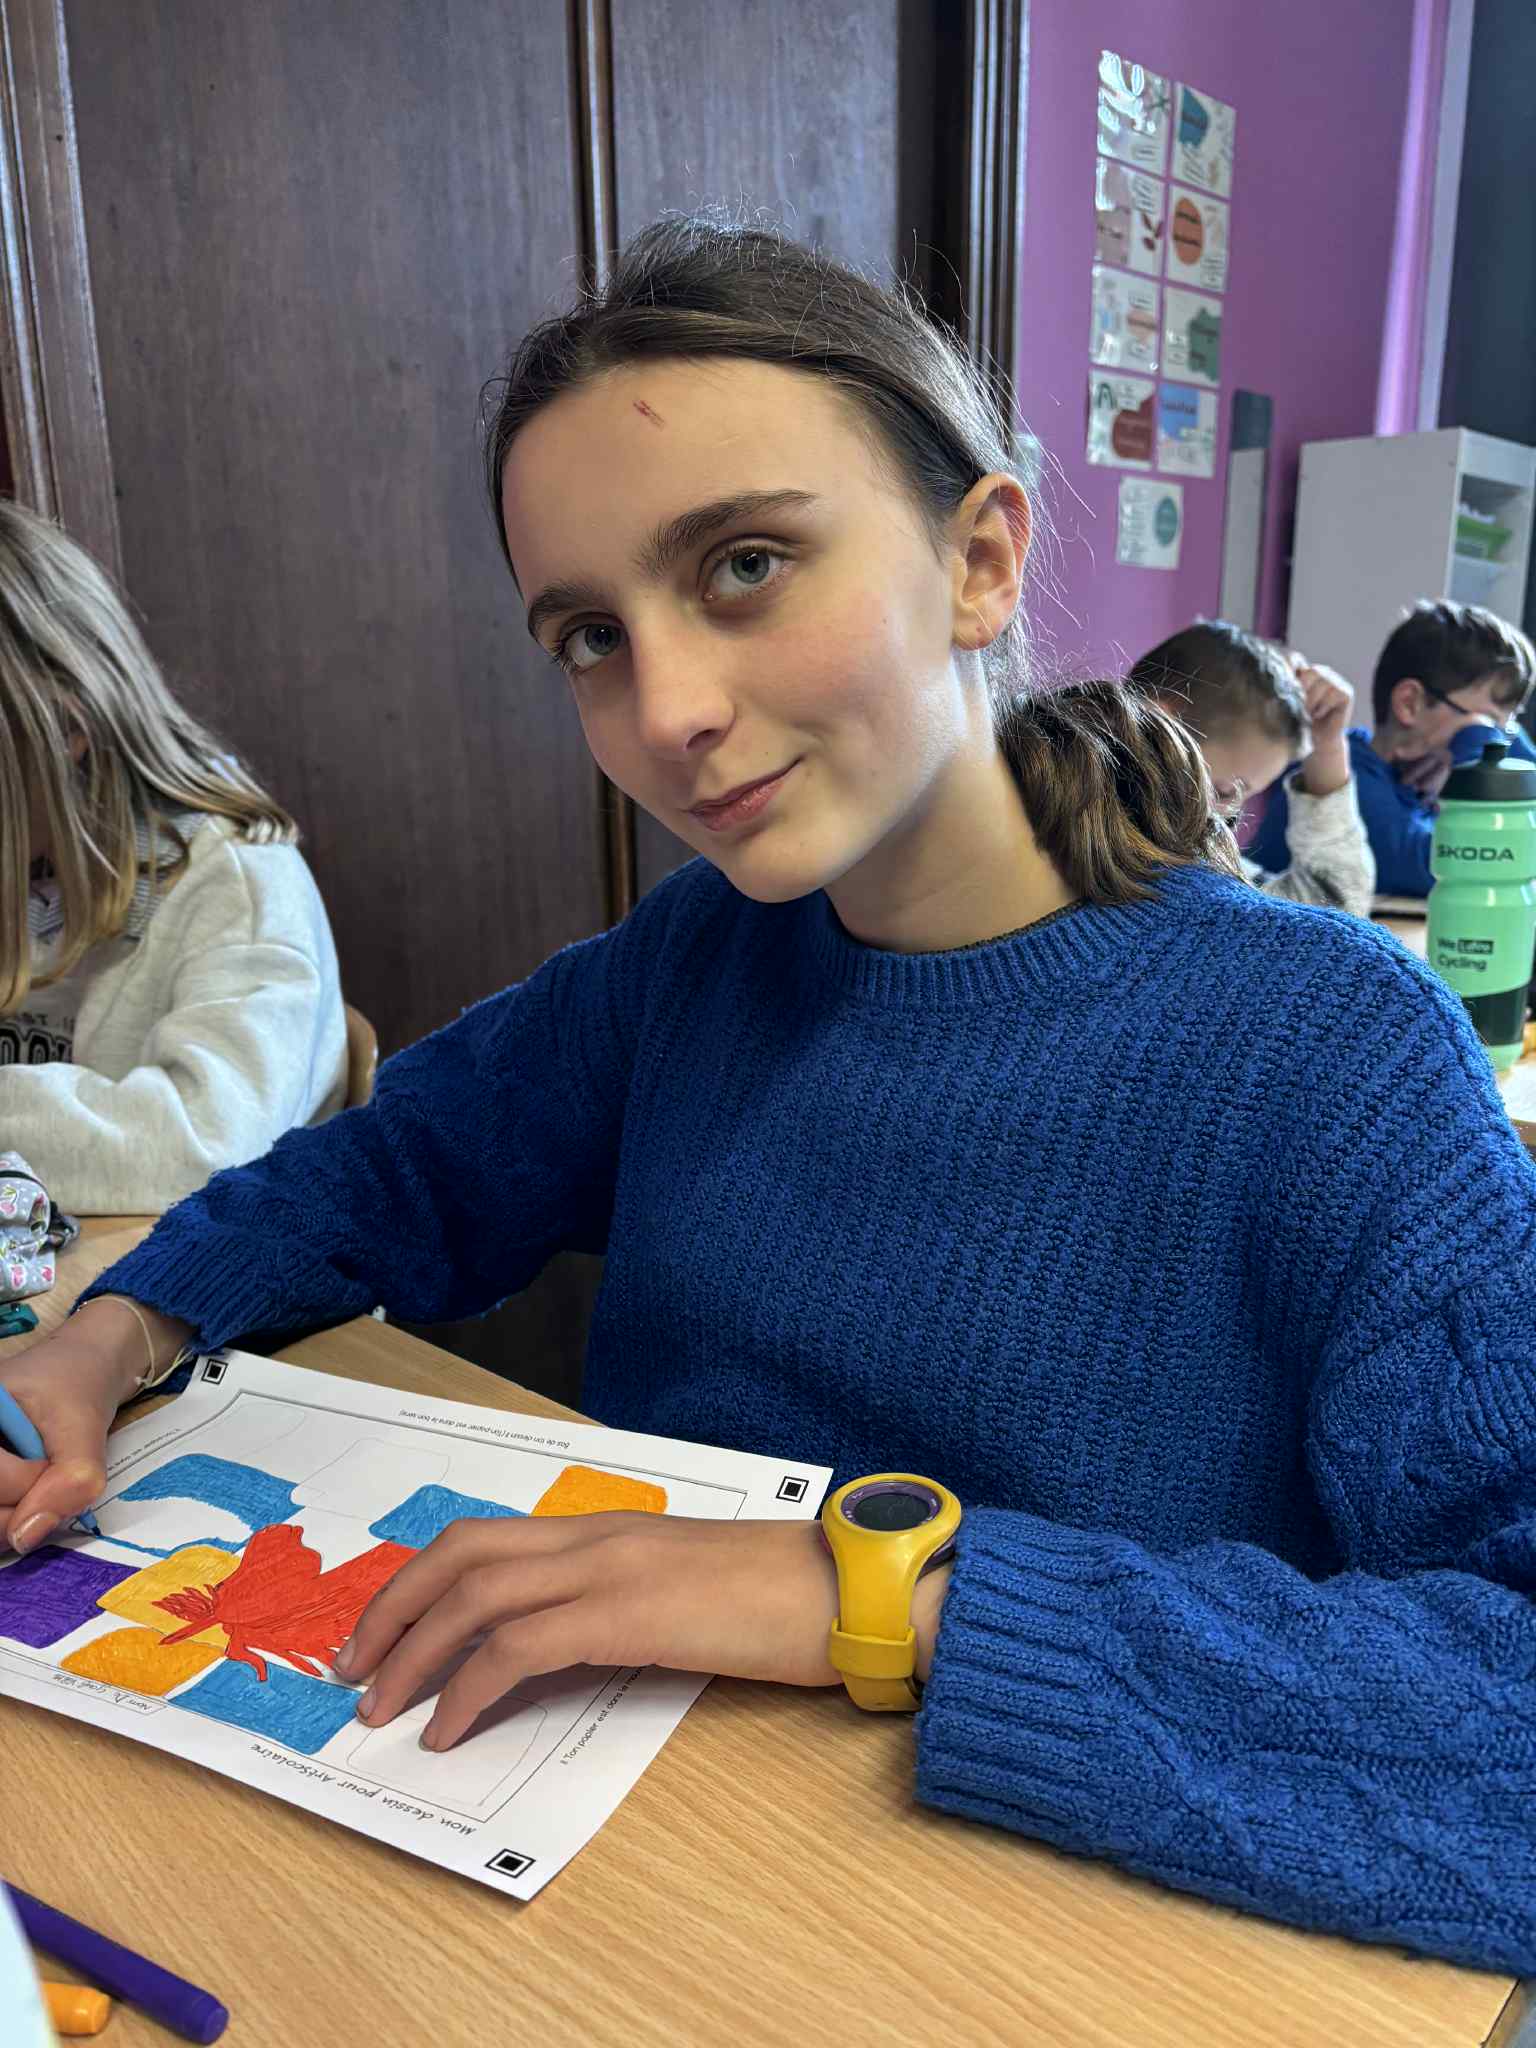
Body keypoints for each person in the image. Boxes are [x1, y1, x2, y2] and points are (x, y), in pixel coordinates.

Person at [4, 218, 1536, 1975]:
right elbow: (390, 1167)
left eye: (744, 565)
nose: (666, 711)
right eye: (590, 634)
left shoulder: (1337, 1050)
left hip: (1037, 1942)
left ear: (980, 560)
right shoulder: (690, 960)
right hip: (595, 1871)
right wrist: (112, 1330)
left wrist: (870, 1592)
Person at [0, 500, 346, 1212]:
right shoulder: (21, 850)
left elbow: (207, 1145)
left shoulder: (237, 880)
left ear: (65, 730)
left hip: (227, 1270)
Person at [1248, 598, 1536, 897]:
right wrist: (1478, 754)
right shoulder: (1342, 781)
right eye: (1486, 723)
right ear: (1410, 703)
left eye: (1505, 728)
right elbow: (1472, 864)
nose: (1496, 741)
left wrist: (1502, 737)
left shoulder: (1407, 786)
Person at [1129, 619, 1375, 916]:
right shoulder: (1113, 869)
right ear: (1157, 727)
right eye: (1222, 792)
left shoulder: (1202, 869)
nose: (1225, 821)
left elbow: (1334, 913)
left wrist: (1327, 747)